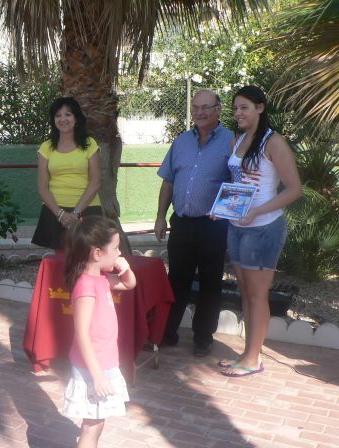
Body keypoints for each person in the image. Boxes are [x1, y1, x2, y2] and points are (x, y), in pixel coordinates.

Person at [219, 86, 301, 377]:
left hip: (263, 229)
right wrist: (222, 209)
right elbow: (237, 185)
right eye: (235, 108)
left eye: (244, 107)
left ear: (260, 108)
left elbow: (294, 189)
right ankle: (247, 353)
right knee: (244, 290)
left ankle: (253, 359)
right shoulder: (238, 140)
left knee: (257, 294)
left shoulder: (273, 142)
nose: (238, 113)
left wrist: (256, 211)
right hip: (237, 227)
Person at [155, 89, 235, 356]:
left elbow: (238, 182)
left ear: (218, 110)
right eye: (195, 108)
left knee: (210, 283)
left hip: (213, 225)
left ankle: (203, 338)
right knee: (176, 280)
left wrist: (225, 211)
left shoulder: (232, 142)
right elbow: (168, 181)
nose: (199, 112)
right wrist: (160, 216)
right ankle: (167, 333)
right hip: (182, 223)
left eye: (205, 107)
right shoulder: (181, 142)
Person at [61, 215, 136, 448]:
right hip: (93, 368)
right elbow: (81, 334)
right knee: (91, 426)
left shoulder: (101, 279)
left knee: (96, 422)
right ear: (97, 253)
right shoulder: (86, 286)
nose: (119, 253)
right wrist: (97, 376)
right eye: (116, 248)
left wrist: (126, 269)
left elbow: (129, 284)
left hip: (104, 362)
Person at [32, 97, 101, 250]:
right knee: (61, 260)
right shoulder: (46, 147)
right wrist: (61, 214)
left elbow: (96, 182)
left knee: (90, 258)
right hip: (55, 211)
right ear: (53, 120)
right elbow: (42, 187)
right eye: (58, 115)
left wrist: (75, 213)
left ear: (76, 118)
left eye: (68, 114)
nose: (62, 119)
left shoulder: (90, 144)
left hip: (87, 209)